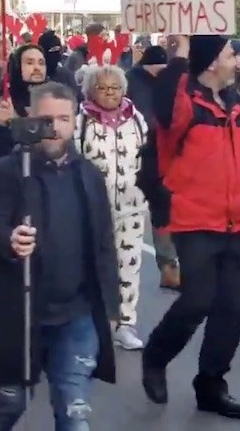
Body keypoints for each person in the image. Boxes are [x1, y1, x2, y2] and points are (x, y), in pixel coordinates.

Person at [141, 35, 240, 420]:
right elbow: (165, 109)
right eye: (228, 53)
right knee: (197, 301)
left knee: (231, 311)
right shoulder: (184, 104)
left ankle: (210, 385)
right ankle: (156, 356)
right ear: (209, 63)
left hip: (236, 224)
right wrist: (181, 54)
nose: (236, 59)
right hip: (194, 222)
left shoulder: (239, 106)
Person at [0, 82, 119, 431]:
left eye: (64, 119)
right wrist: (11, 241)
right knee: (10, 402)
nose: (55, 128)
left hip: (77, 315)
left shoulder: (89, 175)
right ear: (31, 119)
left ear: (74, 121)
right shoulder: (10, 171)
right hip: (21, 312)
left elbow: (104, 245)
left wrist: (111, 308)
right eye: (46, 119)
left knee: (73, 410)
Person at [76, 64, 147, 350]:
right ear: (91, 91)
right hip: (91, 209)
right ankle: (91, 324)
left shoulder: (137, 119)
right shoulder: (81, 121)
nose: (109, 94)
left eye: (114, 88)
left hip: (131, 206)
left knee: (128, 267)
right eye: (102, 88)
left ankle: (125, 324)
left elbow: (149, 157)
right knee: (91, 267)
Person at [125, 45, 180, 289]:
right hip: (137, 153)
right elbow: (143, 114)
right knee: (135, 212)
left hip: (163, 151)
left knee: (164, 207)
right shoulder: (131, 82)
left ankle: (169, 266)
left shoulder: (165, 82)